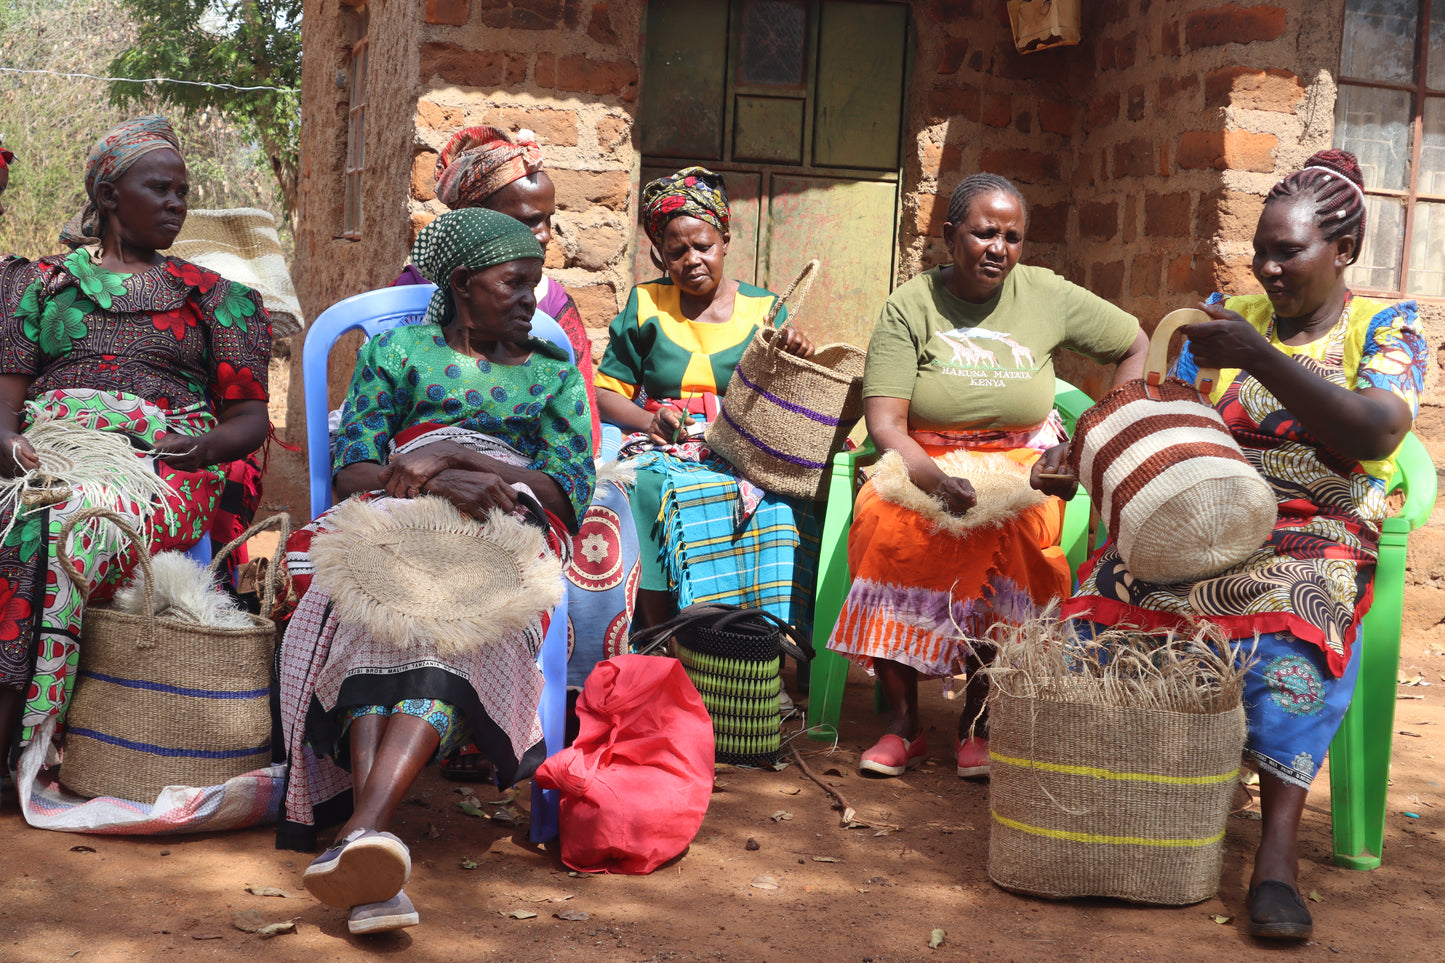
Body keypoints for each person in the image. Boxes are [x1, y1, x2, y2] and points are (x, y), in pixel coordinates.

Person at [1064, 150, 1426, 941]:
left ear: (1343, 253)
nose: (1266, 267)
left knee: (1300, 613)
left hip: (1318, 525)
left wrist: (1264, 360)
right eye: (1260, 249)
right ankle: (1115, 805)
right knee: (1103, 589)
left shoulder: (1385, 326)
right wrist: (1083, 455)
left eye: (1286, 252)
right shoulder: (1222, 317)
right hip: (1211, 509)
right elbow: (1167, 411)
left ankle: (1275, 856)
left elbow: (1378, 430)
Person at [278, 208, 594, 935]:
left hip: (504, 530)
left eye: (536, 285)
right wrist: (420, 481)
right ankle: (371, 849)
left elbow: (565, 490)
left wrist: (457, 461)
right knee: (375, 600)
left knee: (455, 615)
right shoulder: (397, 351)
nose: (531, 300)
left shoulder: (552, 373)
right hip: (394, 515)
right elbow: (355, 467)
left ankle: (360, 831)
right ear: (461, 283)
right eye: (514, 283)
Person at [825, 172, 1148, 779]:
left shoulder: (1045, 294)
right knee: (884, 524)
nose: (998, 248)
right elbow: (887, 422)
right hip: (925, 457)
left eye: (1012, 236)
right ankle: (903, 725)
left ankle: (980, 722)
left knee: (1017, 530)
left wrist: (1083, 442)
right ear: (950, 237)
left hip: (1022, 460)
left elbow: (1135, 341)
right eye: (982, 233)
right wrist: (933, 479)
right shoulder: (911, 305)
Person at [0, 116, 271, 781]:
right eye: (161, 188)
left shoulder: (217, 299)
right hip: (48, 449)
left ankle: (22, 738)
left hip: (158, 471)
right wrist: (7, 441)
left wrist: (203, 446)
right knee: (27, 512)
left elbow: (250, 418)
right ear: (110, 195)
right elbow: (6, 402)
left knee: (68, 520)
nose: (178, 203)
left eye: (184, 190)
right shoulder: (39, 284)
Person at [413, 125, 637, 774]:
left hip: (530, 467)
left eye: (549, 221)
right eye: (526, 221)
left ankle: (558, 721)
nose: (543, 236)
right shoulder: (416, 295)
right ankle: (452, 716)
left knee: (604, 518)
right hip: (438, 465)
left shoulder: (553, 301)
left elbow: (579, 416)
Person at [594, 166, 817, 633]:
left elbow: (787, 396)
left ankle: (758, 641)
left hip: (740, 444)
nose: (692, 260)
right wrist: (648, 420)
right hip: (664, 443)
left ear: (726, 239)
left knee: (778, 504)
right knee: (648, 487)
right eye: (676, 252)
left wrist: (796, 352)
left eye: (703, 246)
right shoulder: (645, 303)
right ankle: (661, 633)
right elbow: (604, 393)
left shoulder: (764, 308)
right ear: (660, 255)